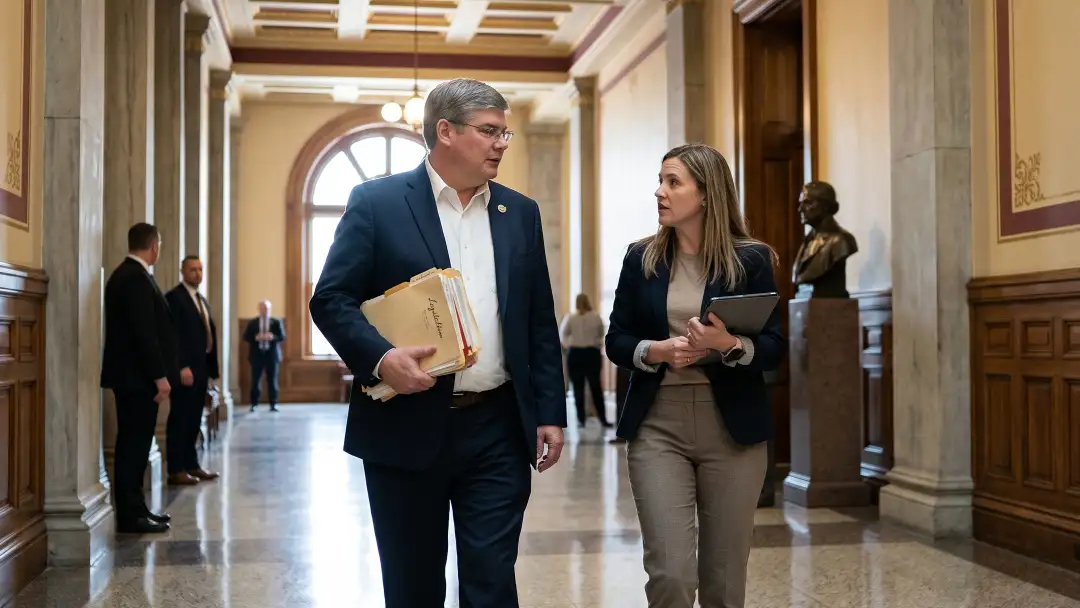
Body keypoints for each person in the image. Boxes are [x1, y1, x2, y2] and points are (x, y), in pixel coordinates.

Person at [309, 77, 566, 608]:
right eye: (490, 131)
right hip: (406, 424)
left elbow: (539, 318)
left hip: (497, 426)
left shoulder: (520, 213)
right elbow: (331, 298)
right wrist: (381, 359)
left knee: (492, 583)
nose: (501, 143)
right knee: (413, 585)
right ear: (445, 131)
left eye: (505, 133)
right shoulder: (377, 203)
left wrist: (549, 411)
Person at [605, 143, 784, 608]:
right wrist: (657, 350)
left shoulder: (752, 260)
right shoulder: (640, 258)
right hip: (658, 425)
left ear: (706, 194)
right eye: (660, 182)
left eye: (672, 182)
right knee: (671, 573)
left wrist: (727, 346)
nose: (659, 193)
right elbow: (617, 339)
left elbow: (775, 347)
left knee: (724, 580)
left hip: (733, 429)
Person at [100, 223, 178, 534]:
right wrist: (159, 376)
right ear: (154, 246)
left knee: (137, 444)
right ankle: (131, 515)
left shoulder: (131, 275)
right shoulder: (134, 278)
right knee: (133, 446)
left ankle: (138, 509)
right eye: (159, 244)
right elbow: (144, 334)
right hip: (137, 380)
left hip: (134, 378)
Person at [163, 255, 221, 485]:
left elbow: (207, 335)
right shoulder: (174, 298)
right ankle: (176, 468)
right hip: (184, 370)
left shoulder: (200, 299)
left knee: (194, 418)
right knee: (179, 418)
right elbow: (172, 337)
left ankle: (192, 464)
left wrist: (210, 370)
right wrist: (181, 366)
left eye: (200, 269)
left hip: (201, 369)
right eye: (192, 270)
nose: (197, 274)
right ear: (182, 271)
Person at [560, 293, 612, 428]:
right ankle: (603, 418)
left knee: (578, 387)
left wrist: (568, 345)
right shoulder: (596, 317)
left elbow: (563, 335)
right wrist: (596, 342)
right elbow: (602, 334)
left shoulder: (570, 318)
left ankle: (581, 419)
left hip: (575, 353)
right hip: (591, 353)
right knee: (596, 388)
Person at [242, 300, 285, 412]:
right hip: (257, 355)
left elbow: (282, 336)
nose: (265, 310)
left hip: (272, 355)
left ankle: (274, 404)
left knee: (272, 381)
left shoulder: (276, 322)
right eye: (263, 308)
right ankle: (254, 404)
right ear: (259, 309)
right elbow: (246, 337)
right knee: (255, 380)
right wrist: (256, 338)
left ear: (270, 309)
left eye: (267, 308)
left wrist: (272, 337)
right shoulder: (253, 323)